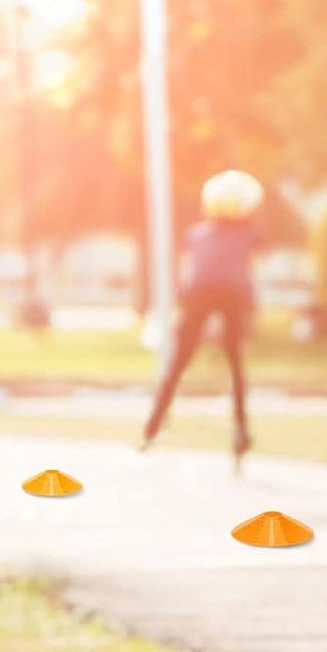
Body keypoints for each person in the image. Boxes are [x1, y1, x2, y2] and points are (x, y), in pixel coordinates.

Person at [140, 169, 263, 462]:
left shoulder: (197, 234)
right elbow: (250, 268)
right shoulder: (248, 234)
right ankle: (241, 430)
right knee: (235, 362)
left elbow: (191, 271)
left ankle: (154, 424)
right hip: (232, 296)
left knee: (179, 361)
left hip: (199, 296)